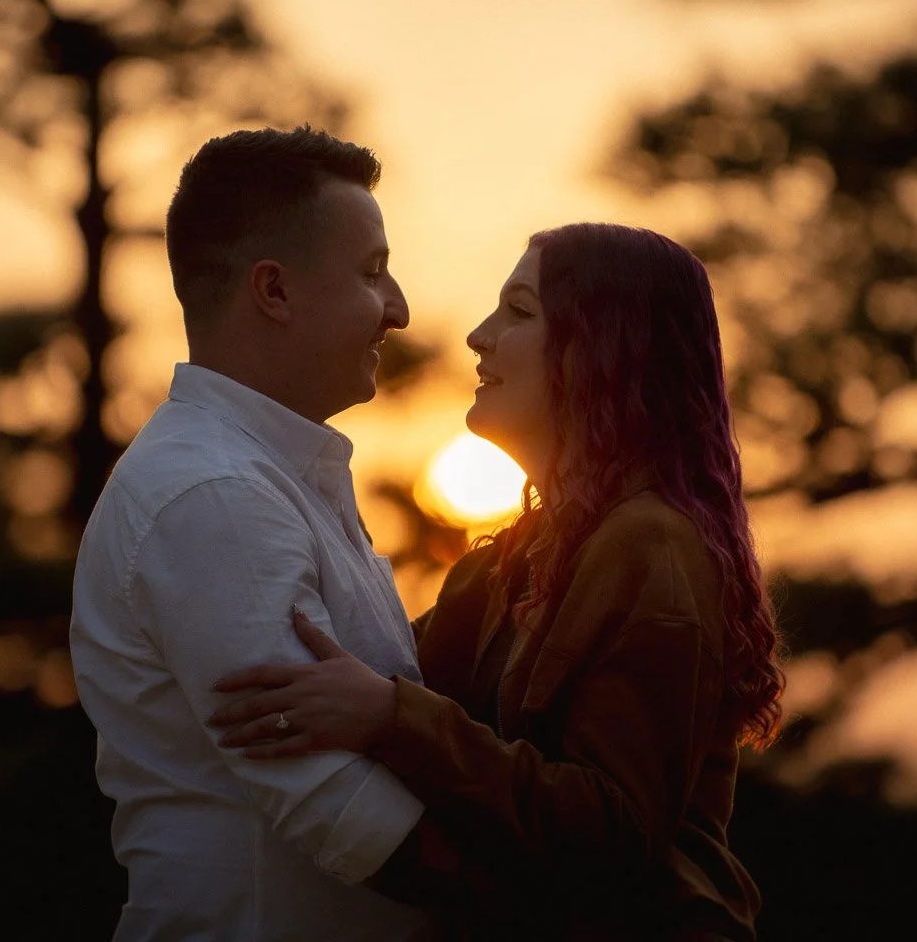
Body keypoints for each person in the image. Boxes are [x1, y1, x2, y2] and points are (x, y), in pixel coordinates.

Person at [209, 223, 785, 940]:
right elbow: (379, 668)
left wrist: (392, 718)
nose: (479, 336)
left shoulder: (651, 547)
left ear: (603, 346)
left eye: (518, 311)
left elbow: (613, 835)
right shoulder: (511, 560)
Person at [69, 126, 433, 941]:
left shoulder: (270, 477)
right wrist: (563, 889)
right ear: (274, 291)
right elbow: (338, 810)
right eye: (372, 273)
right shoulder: (217, 495)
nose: (398, 308)